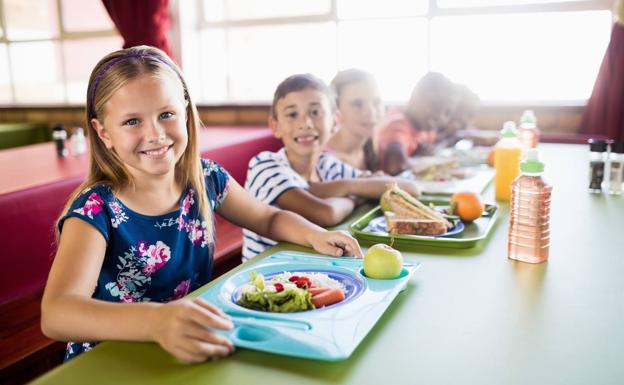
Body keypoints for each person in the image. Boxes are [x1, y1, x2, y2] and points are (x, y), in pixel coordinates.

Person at [40, 46, 362, 364]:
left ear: (185, 110)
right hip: (113, 360)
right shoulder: (95, 210)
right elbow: (57, 312)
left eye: (166, 115)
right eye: (132, 122)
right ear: (103, 132)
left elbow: (268, 218)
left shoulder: (206, 178)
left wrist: (315, 235)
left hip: (190, 345)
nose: (155, 134)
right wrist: (157, 321)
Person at [243, 73, 420, 261]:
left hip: (315, 267)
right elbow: (325, 213)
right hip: (267, 276)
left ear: (335, 121)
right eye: (292, 114)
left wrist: (345, 186)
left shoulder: (327, 165)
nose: (305, 123)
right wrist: (355, 192)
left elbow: (410, 188)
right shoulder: (265, 166)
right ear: (275, 125)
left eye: (315, 112)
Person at [375, 72, 457, 175]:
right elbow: (395, 166)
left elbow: (434, 145)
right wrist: (431, 161)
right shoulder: (397, 125)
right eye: (435, 105)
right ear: (415, 97)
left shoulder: (424, 128)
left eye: (447, 112)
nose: (439, 116)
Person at [326, 68, 384, 171]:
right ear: (336, 109)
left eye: (376, 102)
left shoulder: (372, 150)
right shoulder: (324, 160)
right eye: (357, 104)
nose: (371, 112)